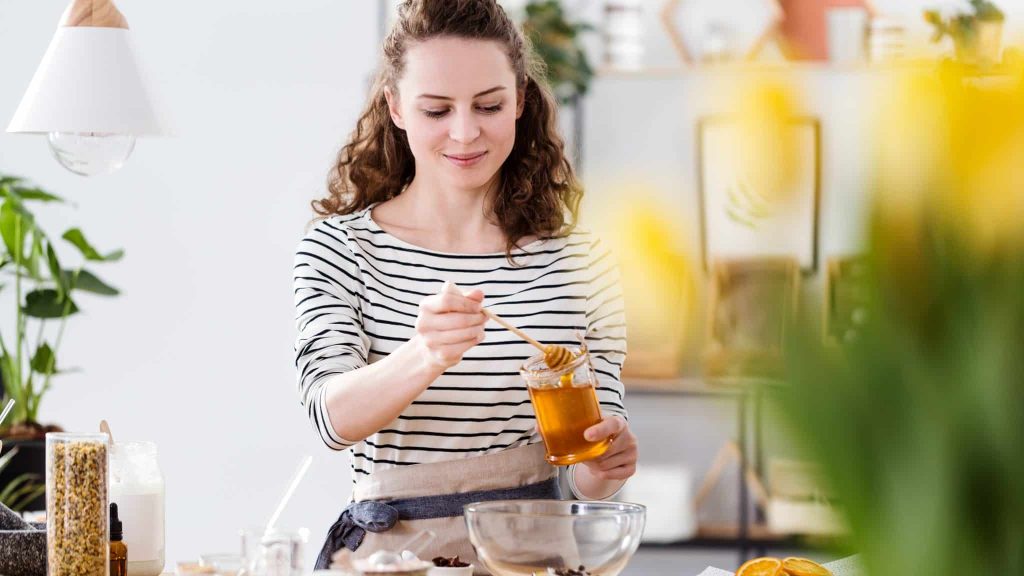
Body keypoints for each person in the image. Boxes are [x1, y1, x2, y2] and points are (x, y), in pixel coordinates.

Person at [293, 0, 638, 570]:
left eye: (489, 105)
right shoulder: (340, 249)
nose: (464, 132)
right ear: (396, 107)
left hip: (532, 557)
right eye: (436, 110)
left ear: (521, 101)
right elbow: (330, 418)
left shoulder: (584, 261)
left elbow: (587, 471)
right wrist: (424, 354)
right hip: (397, 559)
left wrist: (604, 466)